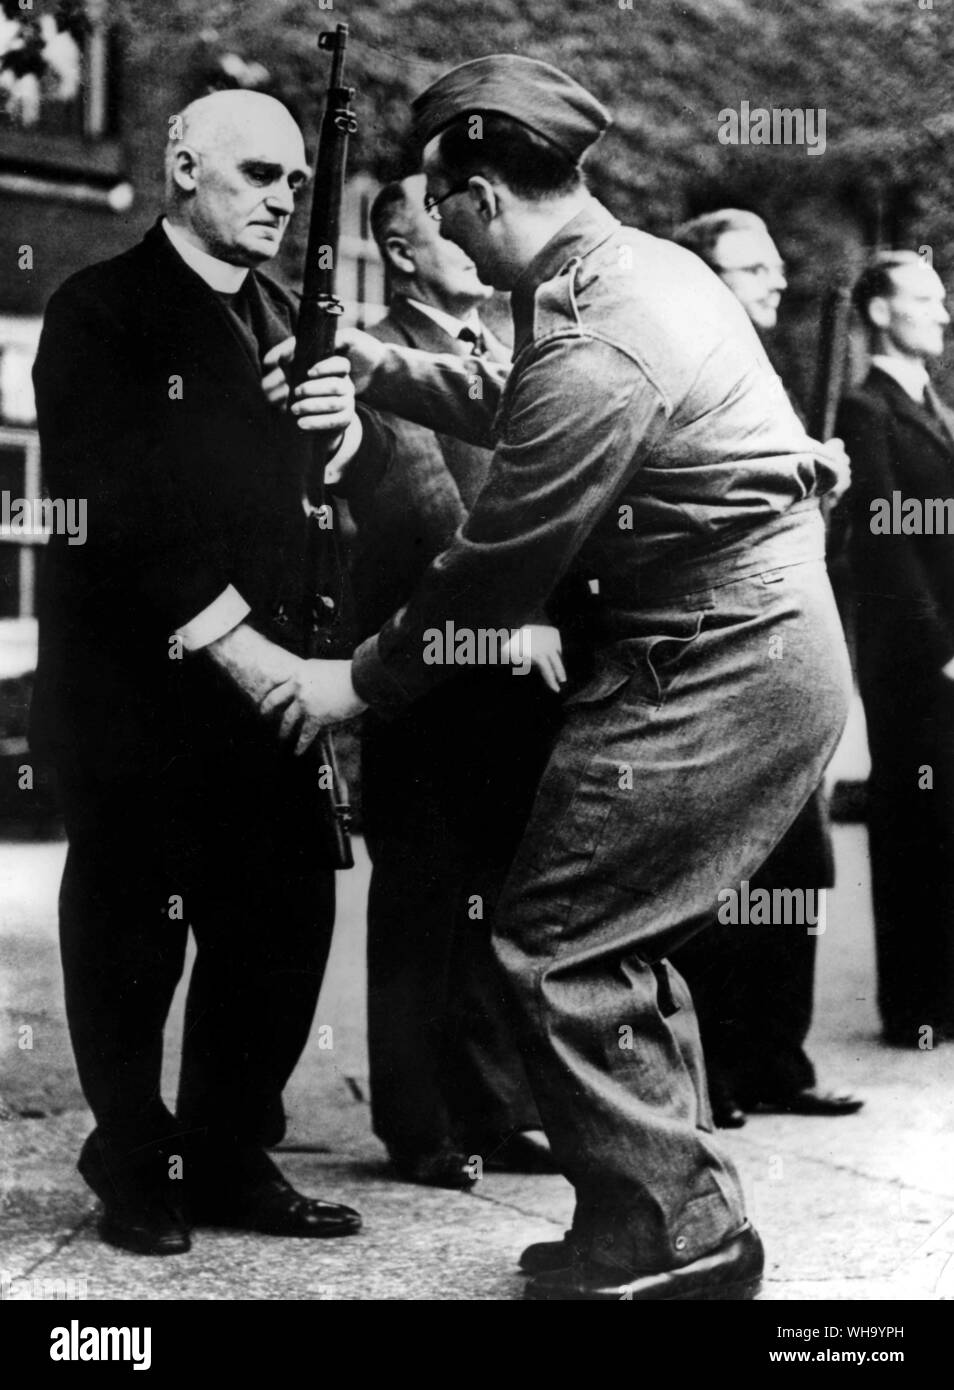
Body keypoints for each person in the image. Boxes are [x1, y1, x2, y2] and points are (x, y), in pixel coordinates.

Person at [262, 55, 852, 1301]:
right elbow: (503, 394)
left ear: (476, 195)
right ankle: (671, 1215)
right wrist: (372, 363)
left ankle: (678, 1242)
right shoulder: (635, 269)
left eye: (440, 208)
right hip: (745, 636)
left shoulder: (599, 338)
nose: (444, 237)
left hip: (714, 653)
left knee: (557, 942)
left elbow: (493, 563)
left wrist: (348, 684)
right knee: (614, 936)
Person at [30, 90, 390, 1256]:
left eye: (294, 180)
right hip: (142, 700)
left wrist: (346, 434)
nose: (284, 197)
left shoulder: (283, 316)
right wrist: (259, 658)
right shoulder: (101, 310)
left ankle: (230, 1151)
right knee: (133, 933)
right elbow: (119, 515)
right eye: (255, 173)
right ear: (181, 166)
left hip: (267, 699)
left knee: (282, 923)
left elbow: (328, 494)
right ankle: (134, 1156)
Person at [354, 175, 560, 1185]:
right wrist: (503, 623)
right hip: (428, 667)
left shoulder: (514, 355)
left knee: (493, 893)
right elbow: (420, 509)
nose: (475, 240)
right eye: (443, 227)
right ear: (398, 249)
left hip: (520, 678)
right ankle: (415, 1122)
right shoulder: (373, 355)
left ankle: (493, 1105)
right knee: (421, 899)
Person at [671, 208, 862, 1124]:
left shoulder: (770, 373)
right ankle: (720, 1071)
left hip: (790, 646)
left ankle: (776, 1059)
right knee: (723, 875)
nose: (776, 282)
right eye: (753, 269)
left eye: (777, 267)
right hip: (715, 647)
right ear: (706, 276)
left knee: (795, 869)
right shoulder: (691, 366)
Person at [836, 250, 954, 1047]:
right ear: (879, 311)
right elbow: (884, 534)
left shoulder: (934, 406)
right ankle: (913, 1003)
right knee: (915, 818)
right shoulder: (864, 406)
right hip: (915, 656)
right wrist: (940, 647)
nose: (943, 313)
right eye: (924, 298)